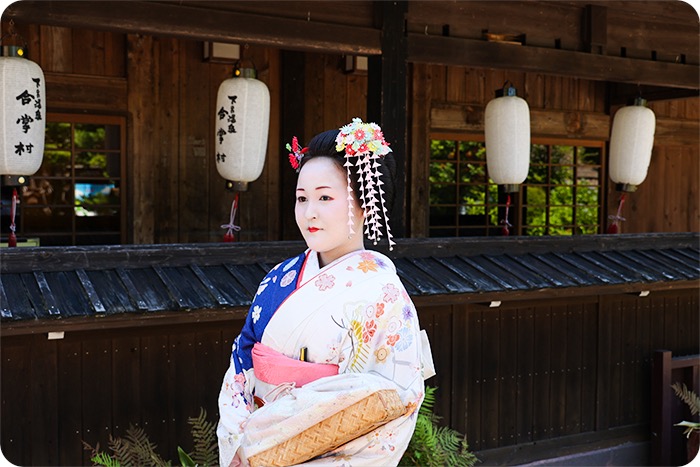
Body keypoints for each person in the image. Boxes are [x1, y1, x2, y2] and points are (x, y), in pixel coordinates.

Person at [217, 118, 434, 467]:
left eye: (325, 197)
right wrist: (241, 444)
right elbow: (240, 367)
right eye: (301, 198)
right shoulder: (278, 278)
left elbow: (397, 401)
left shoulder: (384, 295)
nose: (309, 212)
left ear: (366, 204)